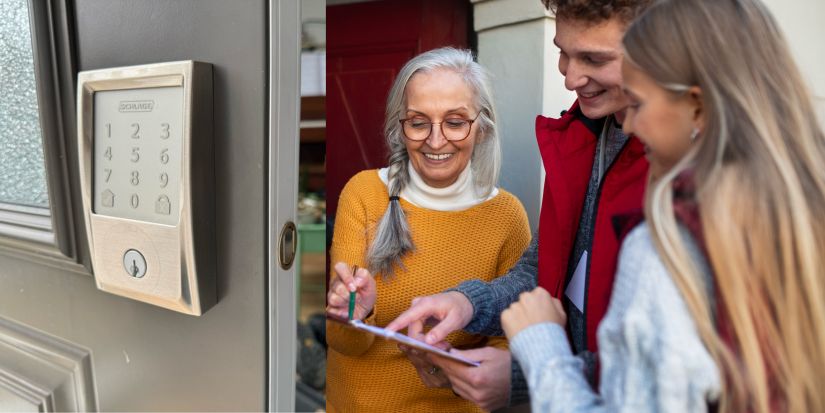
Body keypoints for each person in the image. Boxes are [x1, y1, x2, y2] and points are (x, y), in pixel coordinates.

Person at [502, 0, 825, 412]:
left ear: (697, 106)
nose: (631, 125)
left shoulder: (666, 240)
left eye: (638, 103)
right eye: (562, 53)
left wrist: (539, 351)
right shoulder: (796, 207)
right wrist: (474, 304)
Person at [386, 1, 651, 409]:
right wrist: (467, 303)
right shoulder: (582, 135)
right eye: (562, 52)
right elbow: (545, 273)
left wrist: (523, 375)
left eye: (594, 59)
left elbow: (664, 364)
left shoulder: (679, 168)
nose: (571, 78)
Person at [324, 47, 531, 413]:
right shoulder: (363, 194)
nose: (436, 141)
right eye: (419, 123)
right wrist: (356, 313)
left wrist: (445, 365)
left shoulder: (507, 216)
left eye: (454, 122)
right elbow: (343, 341)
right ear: (400, 128)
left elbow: (508, 342)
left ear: (481, 128)